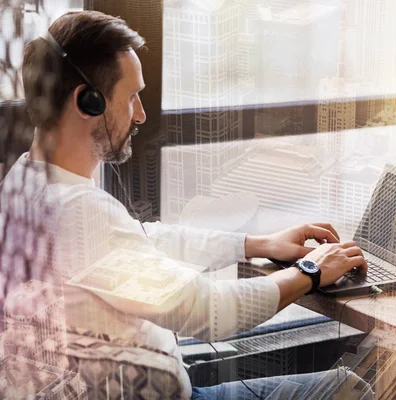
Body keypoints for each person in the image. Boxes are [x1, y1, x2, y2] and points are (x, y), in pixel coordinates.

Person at [4, 10, 371, 400]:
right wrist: (311, 271)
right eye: (131, 97)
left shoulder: (25, 182)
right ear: (88, 103)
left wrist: (256, 243)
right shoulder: (76, 212)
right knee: (349, 389)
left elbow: (144, 241)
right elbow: (210, 311)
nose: (141, 114)